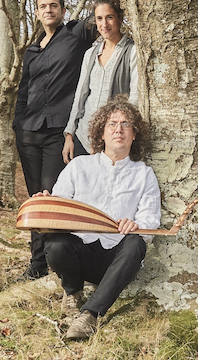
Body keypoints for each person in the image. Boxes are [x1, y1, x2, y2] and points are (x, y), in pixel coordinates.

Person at [38, 95, 160, 340]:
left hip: (115, 261)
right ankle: (72, 292)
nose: (119, 130)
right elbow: (59, 206)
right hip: (78, 255)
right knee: (55, 242)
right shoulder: (79, 166)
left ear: (134, 135)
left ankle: (89, 315)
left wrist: (136, 225)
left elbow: (150, 221)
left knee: (136, 243)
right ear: (101, 133)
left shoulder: (144, 174)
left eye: (126, 124)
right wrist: (46, 203)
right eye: (112, 124)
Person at [13, 0, 96, 280]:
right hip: (28, 132)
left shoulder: (76, 34)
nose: (48, 10)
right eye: (43, 6)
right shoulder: (32, 51)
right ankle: (37, 264)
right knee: (35, 198)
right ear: (36, 12)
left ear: (62, 9)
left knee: (51, 196)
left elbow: (103, 15)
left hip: (59, 133)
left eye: (53, 5)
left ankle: (54, 261)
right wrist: (18, 123)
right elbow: (24, 90)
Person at [62, 0, 138, 161]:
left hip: (112, 142)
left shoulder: (132, 51)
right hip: (82, 138)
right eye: (99, 18)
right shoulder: (90, 54)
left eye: (109, 17)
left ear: (120, 17)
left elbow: (134, 100)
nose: (104, 24)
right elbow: (80, 96)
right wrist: (69, 135)